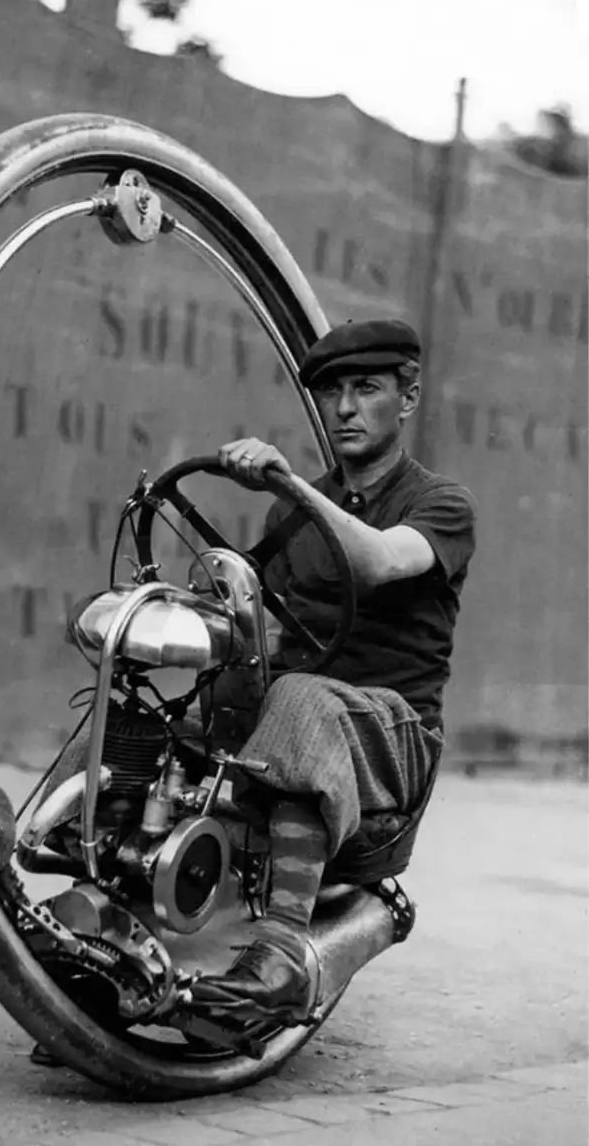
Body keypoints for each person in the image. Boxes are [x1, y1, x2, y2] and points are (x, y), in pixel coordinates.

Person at [191, 318, 477, 1023]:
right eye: (330, 393)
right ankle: (92, 910)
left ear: (407, 399)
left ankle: (283, 953)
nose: (345, 408)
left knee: (299, 697)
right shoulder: (290, 519)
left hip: (393, 741)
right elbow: (252, 626)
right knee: (165, 705)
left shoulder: (440, 504)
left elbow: (378, 560)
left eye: (367, 389)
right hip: (307, 721)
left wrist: (290, 486)